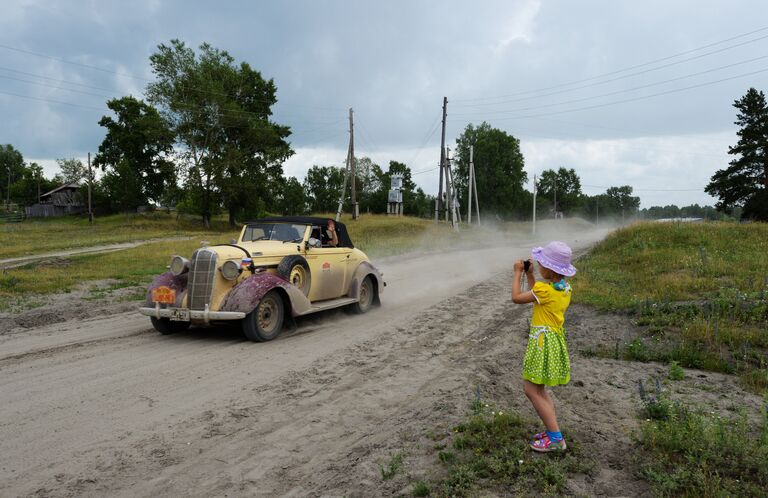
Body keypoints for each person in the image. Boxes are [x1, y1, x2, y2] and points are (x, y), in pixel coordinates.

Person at [511, 241, 576, 453]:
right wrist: (530, 276)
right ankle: (552, 432)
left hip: (542, 344)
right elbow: (537, 293)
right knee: (540, 390)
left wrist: (517, 273)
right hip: (553, 342)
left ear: (549, 269)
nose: (538, 266)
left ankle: (556, 439)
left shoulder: (545, 291)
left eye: (541, 263)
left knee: (530, 389)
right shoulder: (563, 289)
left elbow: (517, 298)